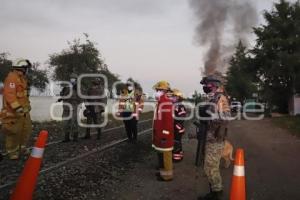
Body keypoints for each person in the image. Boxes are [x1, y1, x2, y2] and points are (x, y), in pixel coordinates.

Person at [198, 76, 231, 200]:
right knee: (209, 166)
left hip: (216, 138)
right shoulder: (213, 98)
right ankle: (214, 191)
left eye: (207, 85)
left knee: (211, 167)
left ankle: (217, 193)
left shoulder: (220, 98)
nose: (205, 87)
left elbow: (226, 117)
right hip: (211, 137)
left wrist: (210, 115)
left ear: (214, 85)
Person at [0, 58, 32, 160]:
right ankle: (12, 152)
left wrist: (27, 106)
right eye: (26, 68)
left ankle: (22, 148)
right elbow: (10, 95)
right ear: (22, 68)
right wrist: (17, 107)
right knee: (14, 132)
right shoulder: (11, 78)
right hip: (14, 113)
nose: (27, 70)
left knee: (25, 130)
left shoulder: (22, 79)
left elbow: (23, 96)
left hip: (24, 112)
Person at [152, 81, 174, 181]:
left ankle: (167, 176)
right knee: (161, 155)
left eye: (158, 90)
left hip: (164, 135)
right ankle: (162, 173)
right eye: (157, 90)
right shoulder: (160, 101)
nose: (156, 91)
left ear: (163, 91)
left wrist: (165, 134)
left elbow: (168, 121)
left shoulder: (165, 102)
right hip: (160, 133)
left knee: (166, 156)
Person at [58, 73, 81, 142]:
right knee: (65, 122)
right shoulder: (66, 86)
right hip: (66, 107)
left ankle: (75, 137)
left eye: (73, 78)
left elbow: (81, 98)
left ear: (76, 79)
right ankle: (66, 138)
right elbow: (62, 94)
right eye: (71, 78)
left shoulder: (78, 88)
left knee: (74, 122)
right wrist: (63, 94)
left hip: (74, 107)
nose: (72, 79)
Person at [171, 89, 187, 162]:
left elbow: (181, 118)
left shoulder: (180, 106)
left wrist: (173, 118)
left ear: (178, 97)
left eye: (173, 96)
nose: (172, 97)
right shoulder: (174, 105)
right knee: (175, 142)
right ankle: (176, 156)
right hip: (174, 127)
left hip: (178, 128)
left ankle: (177, 158)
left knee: (177, 143)